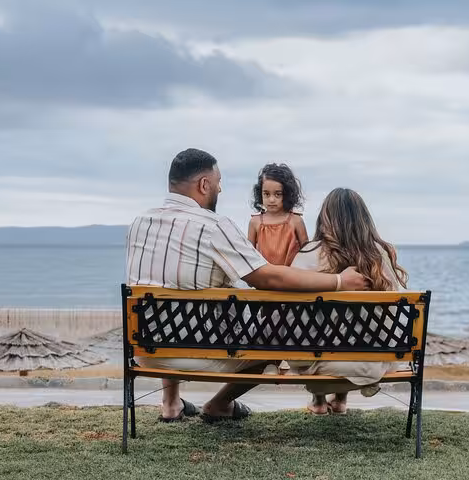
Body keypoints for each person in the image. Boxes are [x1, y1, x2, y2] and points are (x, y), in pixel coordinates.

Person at [126, 149, 372, 423]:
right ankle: (218, 404)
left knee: (165, 304)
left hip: (145, 350)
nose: (220, 188)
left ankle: (171, 403)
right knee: (272, 340)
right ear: (204, 185)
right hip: (198, 351)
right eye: (218, 182)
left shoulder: (139, 223)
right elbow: (266, 277)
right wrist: (339, 281)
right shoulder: (214, 226)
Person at [288, 188, 409, 415]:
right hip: (369, 362)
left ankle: (319, 399)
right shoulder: (380, 255)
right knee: (360, 324)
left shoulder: (308, 253)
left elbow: (293, 316)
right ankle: (341, 398)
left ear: (325, 219)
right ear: (363, 220)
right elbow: (389, 318)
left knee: (315, 322)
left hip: (317, 359)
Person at [247, 163, 309, 267]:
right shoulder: (255, 222)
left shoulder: (296, 221)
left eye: (278, 194)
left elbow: (307, 254)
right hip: (263, 279)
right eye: (266, 194)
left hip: (291, 279)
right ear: (260, 193)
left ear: (287, 194)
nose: (271, 199)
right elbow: (248, 256)